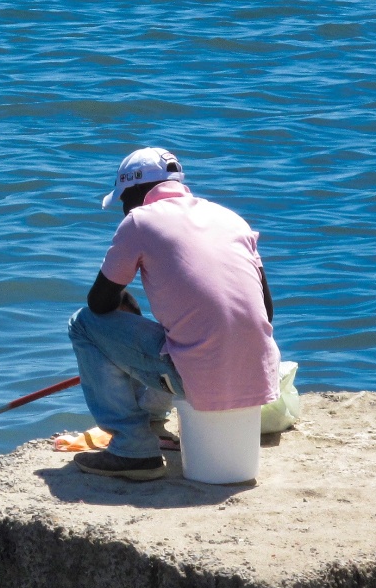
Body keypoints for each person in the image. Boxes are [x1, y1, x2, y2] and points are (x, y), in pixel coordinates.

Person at [66, 148, 279, 481]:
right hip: (257, 373)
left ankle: (133, 449)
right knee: (176, 334)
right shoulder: (231, 218)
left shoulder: (138, 220)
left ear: (137, 192)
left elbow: (99, 304)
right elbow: (265, 310)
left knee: (82, 325)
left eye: (123, 199)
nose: (123, 208)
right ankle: (152, 424)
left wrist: (126, 305)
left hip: (197, 377)